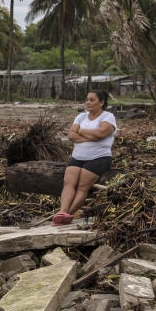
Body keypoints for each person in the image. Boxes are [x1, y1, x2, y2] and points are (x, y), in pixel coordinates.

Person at [53, 91, 116, 225]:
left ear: (102, 102)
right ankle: (62, 212)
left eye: (92, 100)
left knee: (82, 186)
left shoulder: (108, 117)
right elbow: (71, 136)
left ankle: (68, 215)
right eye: (87, 99)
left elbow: (101, 133)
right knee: (68, 183)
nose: (88, 102)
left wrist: (81, 132)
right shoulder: (81, 116)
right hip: (77, 157)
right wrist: (92, 136)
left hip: (99, 158)